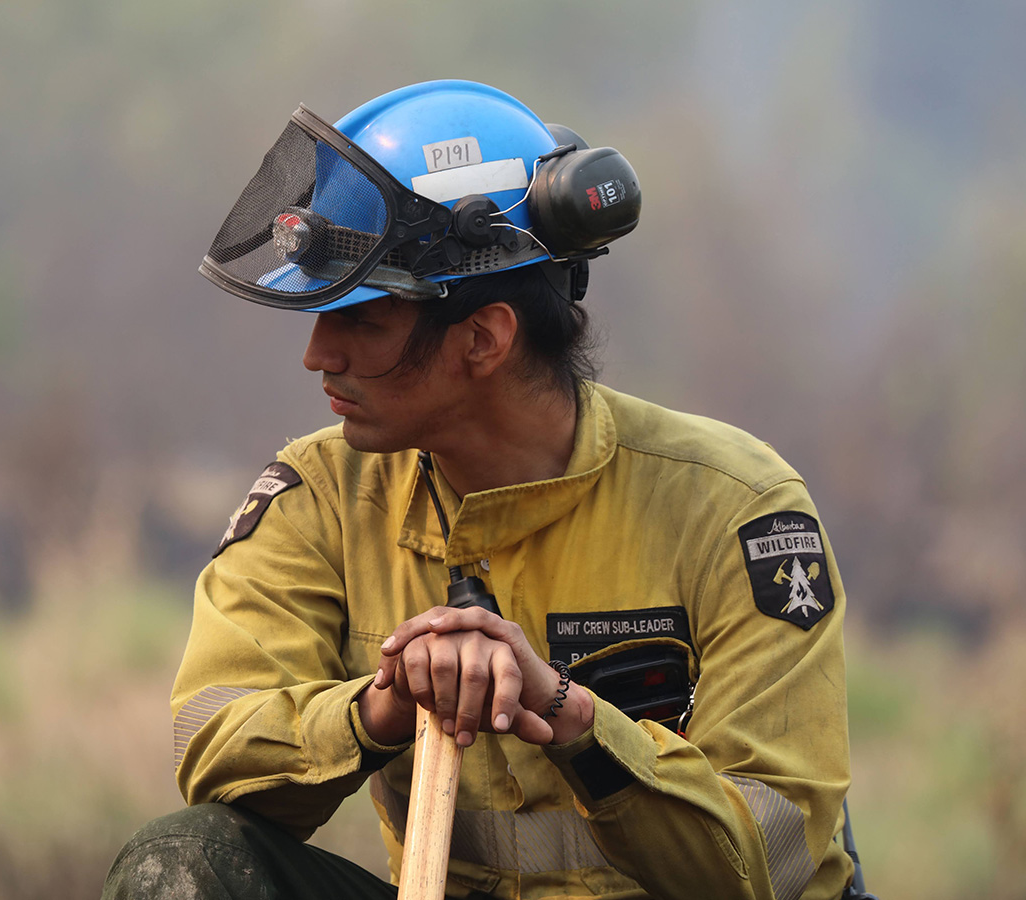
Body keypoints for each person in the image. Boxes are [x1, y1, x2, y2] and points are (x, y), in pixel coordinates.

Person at [103, 80, 853, 900]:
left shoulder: (738, 508)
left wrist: (568, 714)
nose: (318, 355)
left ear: (485, 339)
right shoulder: (319, 495)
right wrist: (379, 706)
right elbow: (215, 741)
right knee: (181, 865)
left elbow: (769, 864)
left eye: (362, 320)